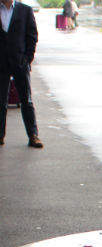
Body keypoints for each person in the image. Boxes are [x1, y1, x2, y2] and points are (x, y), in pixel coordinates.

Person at [0, 0, 42, 148]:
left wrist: (27, 59)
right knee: (0, 101)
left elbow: (32, 36)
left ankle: (33, 135)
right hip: (1, 64)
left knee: (26, 100)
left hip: (20, 62)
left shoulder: (25, 10)